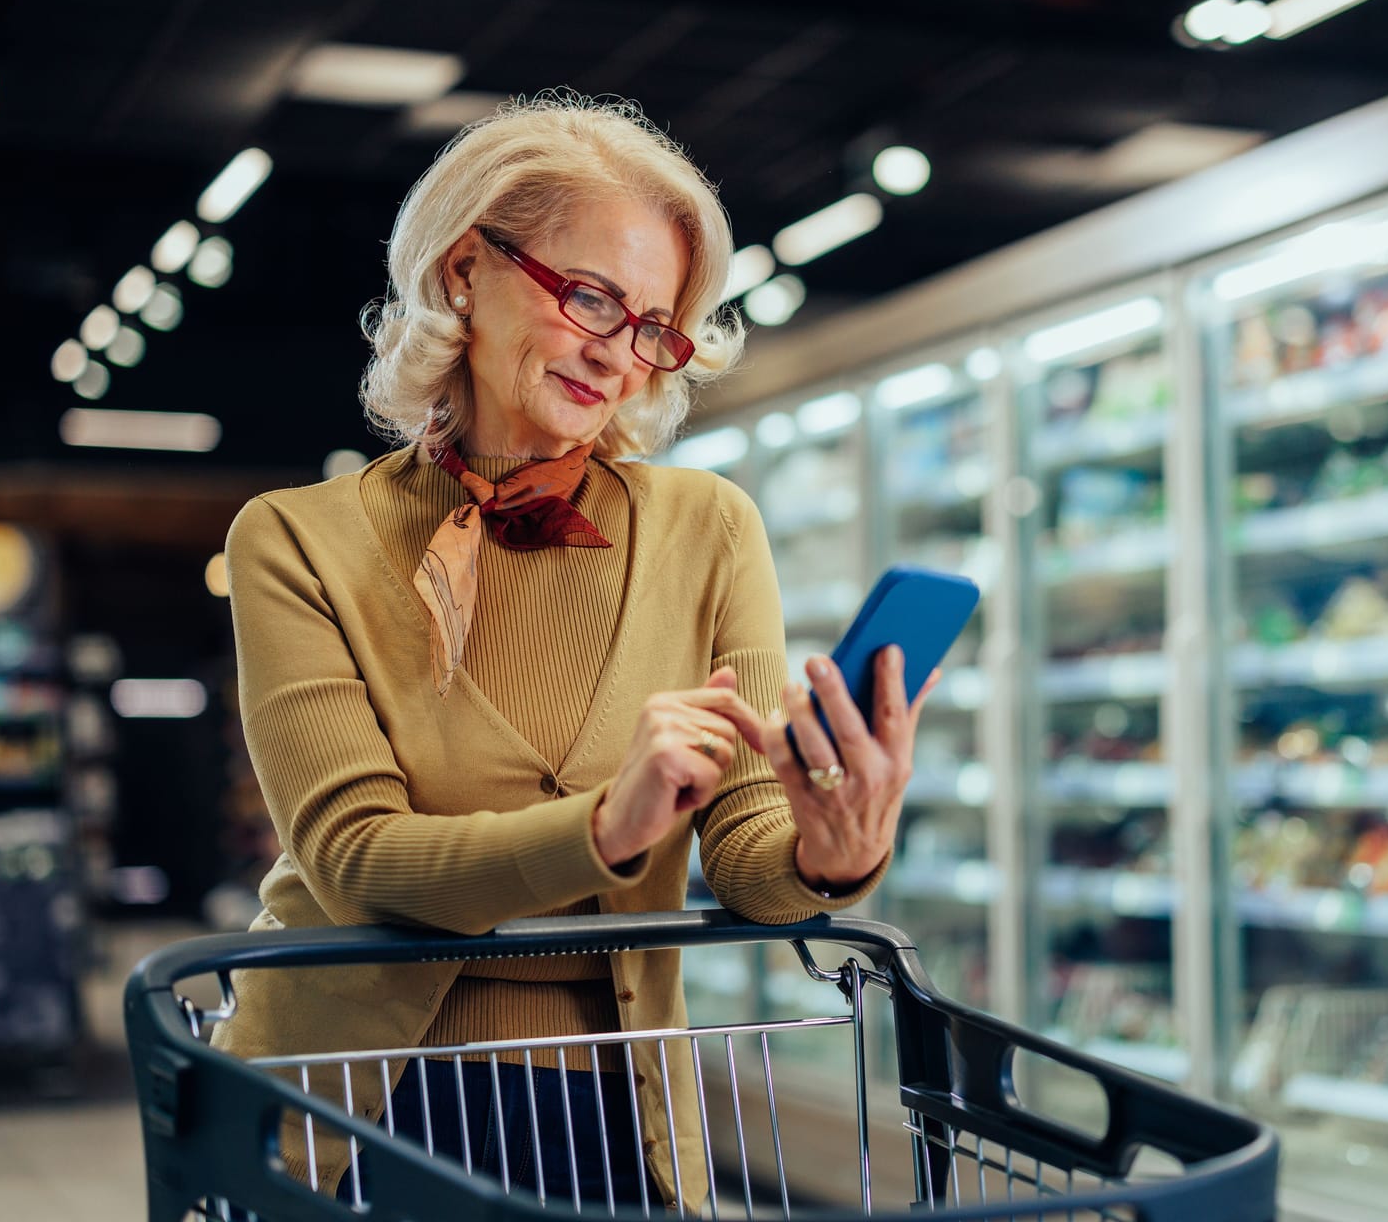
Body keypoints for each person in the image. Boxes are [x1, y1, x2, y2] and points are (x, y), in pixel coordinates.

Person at [210, 92, 937, 1212]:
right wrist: (607, 825)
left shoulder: (709, 527)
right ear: (464, 274)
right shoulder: (296, 538)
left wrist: (830, 849)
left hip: (613, 1106)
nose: (622, 357)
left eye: (654, 326)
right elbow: (354, 852)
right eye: (592, 297)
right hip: (350, 1099)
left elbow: (746, 844)